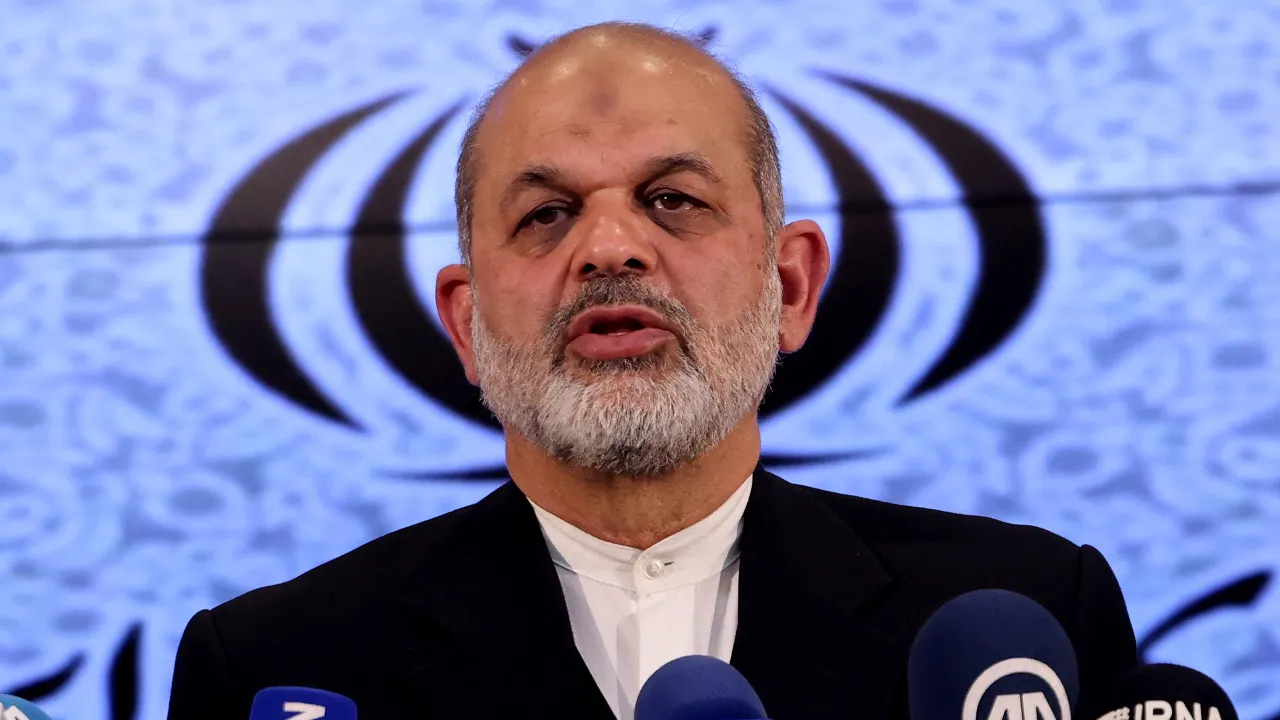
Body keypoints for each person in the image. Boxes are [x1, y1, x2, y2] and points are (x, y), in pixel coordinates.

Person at [167, 21, 1137, 720]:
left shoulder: (1030, 616)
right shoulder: (275, 667)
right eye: (546, 214)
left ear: (791, 286)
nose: (609, 250)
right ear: (465, 323)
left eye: (672, 200)